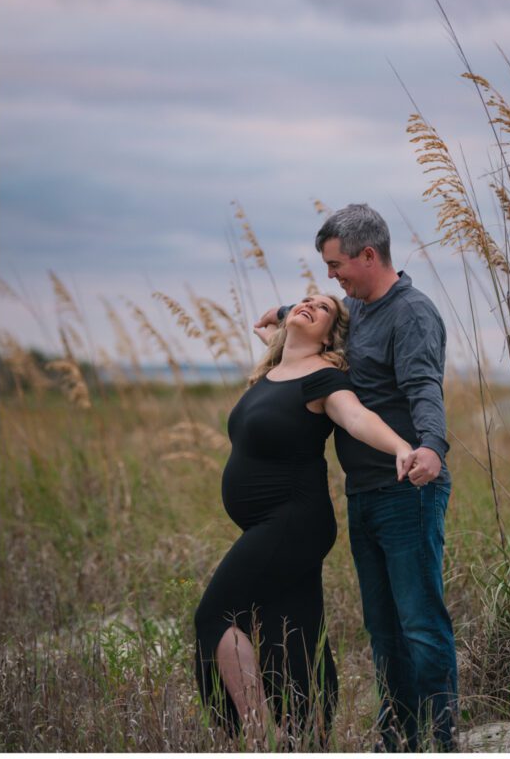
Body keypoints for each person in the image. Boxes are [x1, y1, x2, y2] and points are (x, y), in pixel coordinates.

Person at [256, 203, 457, 752]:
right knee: (383, 631)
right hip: (365, 491)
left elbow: (423, 389)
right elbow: (327, 309)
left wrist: (431, 448)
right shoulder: (360, 305)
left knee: (419, 624)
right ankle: (397, 741)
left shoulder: (411, 312)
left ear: (369, 256)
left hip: (408, 488)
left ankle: (442, 742)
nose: (331, 276)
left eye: (337, 264)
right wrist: (281, 311)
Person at [194, 291, 415, 749]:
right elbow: (274, 324)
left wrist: (400, 447)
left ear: (332, 337)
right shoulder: (272, 373)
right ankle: (306, 742)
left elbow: (355, 418)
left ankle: (259, 738)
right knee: (293, 638)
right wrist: (283, 323)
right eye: (304, 300)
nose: (309, 305)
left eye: (324, 309)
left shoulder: (323, 378)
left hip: (293, 521)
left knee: (216, 616)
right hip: (274, 525)